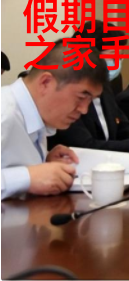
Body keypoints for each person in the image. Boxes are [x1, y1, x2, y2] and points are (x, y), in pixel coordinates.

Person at [1, 45, 106, 199]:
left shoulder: (36, 115)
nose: (84, 110)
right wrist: (27, 177)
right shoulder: (4, 113)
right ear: (45, 82)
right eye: (81, 97)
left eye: (90, 100)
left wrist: (44, 160)